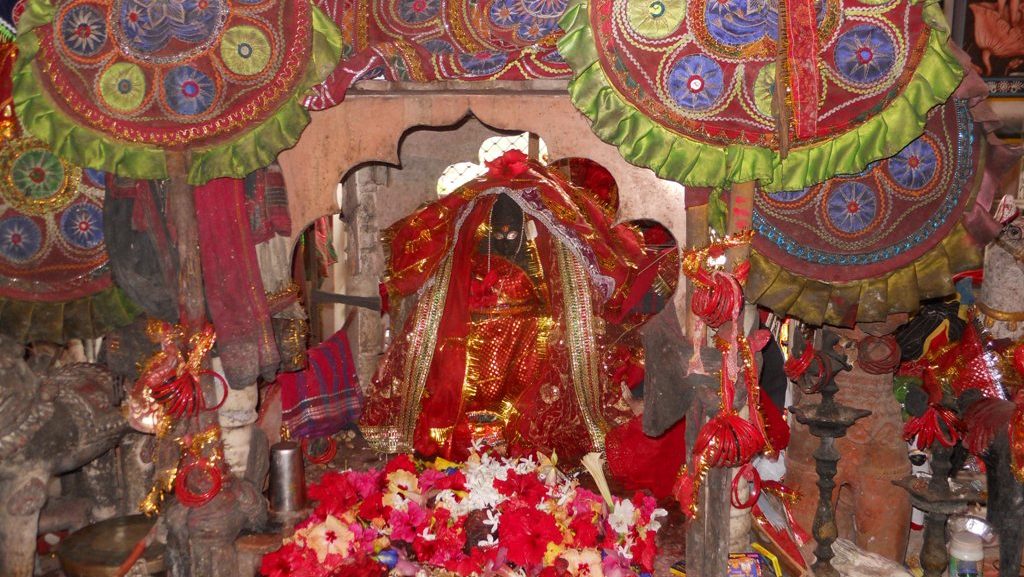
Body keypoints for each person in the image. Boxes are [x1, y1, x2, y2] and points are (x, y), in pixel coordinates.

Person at [360, 152, 674, 463]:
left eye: (512, 233)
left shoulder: (534, 260)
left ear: (524, 230)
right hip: (480, 338)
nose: (506, 239)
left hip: (527, 337)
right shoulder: (473, 261)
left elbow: (545, 300)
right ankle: (480, 429)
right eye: (499, 233)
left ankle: (513, 430)